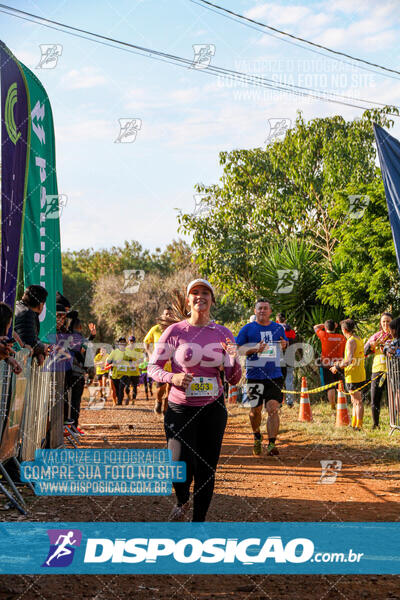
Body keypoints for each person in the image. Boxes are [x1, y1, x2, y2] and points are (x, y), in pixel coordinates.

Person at [148, 279, 241, 522]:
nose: (200, 296)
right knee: (179, 466)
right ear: (188, 300)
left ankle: (198, 523)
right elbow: (153, 368)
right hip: (180, 408)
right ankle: (182, 500)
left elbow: (233, 378)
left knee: (206, 469)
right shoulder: (175, 331)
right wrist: (173, 377)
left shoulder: (223, 333)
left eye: (205, 293)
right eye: (195, 293)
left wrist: (233, 359)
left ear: (212, 300)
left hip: (212, 409)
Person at [236, 299, 288, 457]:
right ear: (255, 310)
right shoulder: (247, 329)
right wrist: (254, 348)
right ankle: (257, 436)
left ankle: (272, 444)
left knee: (273, 409)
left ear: (270, 311)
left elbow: (283, 343)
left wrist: (285, 344)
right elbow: (238, 349)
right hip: (254, 375)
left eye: (265, 308)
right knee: (255, 410)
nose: (262, 311)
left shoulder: (278, 328)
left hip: (275, 375)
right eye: (260, 308)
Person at [331, 319, 366, 430]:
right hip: (360, 373)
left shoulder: (350, 341)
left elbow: (349, 360)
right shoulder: (358, 339)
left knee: (357, 401)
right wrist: (340, 363)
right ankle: (355, 424)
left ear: (344, 330)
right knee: (355, 401)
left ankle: (358, 426)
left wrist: (336, 367)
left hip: (353, 374)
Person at [365, 313, 393, 429]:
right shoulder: (376, 336)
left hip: (393, 371)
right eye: (383, 322)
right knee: (375, 398)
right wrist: (371, 346)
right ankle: (375, 424)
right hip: (377, 371)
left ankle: (394, 424)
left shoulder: (395, 336)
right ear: (380, 323)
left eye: (388, 321)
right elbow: (364, 351)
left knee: (393, 399)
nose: (386, 324)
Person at [144, 307, 173, 415]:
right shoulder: (155, 329)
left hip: (173, 364)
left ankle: (166, 408)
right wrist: (150, 353)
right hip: (160, 364)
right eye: (166, 314)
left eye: (170, 314)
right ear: (162, 316)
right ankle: (159, 400)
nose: (168, 316)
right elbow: (146, 342)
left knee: (170, 387)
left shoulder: (176, 328)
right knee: (160, 389)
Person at [314, 320, 346, 411]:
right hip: (339, 364)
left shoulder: (324, 335)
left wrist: (323, 325)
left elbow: (315, 327)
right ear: (335, 327)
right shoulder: (341, 337)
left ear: (326, 327)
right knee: (339, 385)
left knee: (330, 386)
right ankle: (342, 403)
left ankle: (333, 405)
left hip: (326, 364)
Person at [14, 285, 48, 365]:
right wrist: (44, 348)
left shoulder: (16, 307)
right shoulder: (27, 314)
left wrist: (39, 353)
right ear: (41, 305)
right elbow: (30, 344)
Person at [276, 313, 296, 407]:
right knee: (289, 380)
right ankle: (290, 401)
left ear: (277, 320)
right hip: (290, 357)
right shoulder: (291, 331)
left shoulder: (275, 330)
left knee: (278, 379)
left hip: (278, 358)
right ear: (285, 320)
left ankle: (279, 401)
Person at [106, 337, 130, 406]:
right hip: (115, 374)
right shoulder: (114, 352)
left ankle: (120, 402)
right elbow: (108, 362)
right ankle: (118, 399)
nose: (122, 343)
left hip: (125, 373)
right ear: (118, 344)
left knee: (121, 387)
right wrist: (115, 362)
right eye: (120, 342)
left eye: (123, 342)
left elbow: (132, 361)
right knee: (116, 389)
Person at [122, 336, 141, 405]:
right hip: (127, 372)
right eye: (130, 341)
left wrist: (134, 360)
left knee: (135, 387)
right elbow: (123, 358)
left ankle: (133, 400)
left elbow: (140, 358)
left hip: (135, 372)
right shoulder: (125, 349)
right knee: (127, 387)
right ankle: (128, 396)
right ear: (128, 341)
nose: (131, 342)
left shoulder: (138, 350)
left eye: (133, 341)